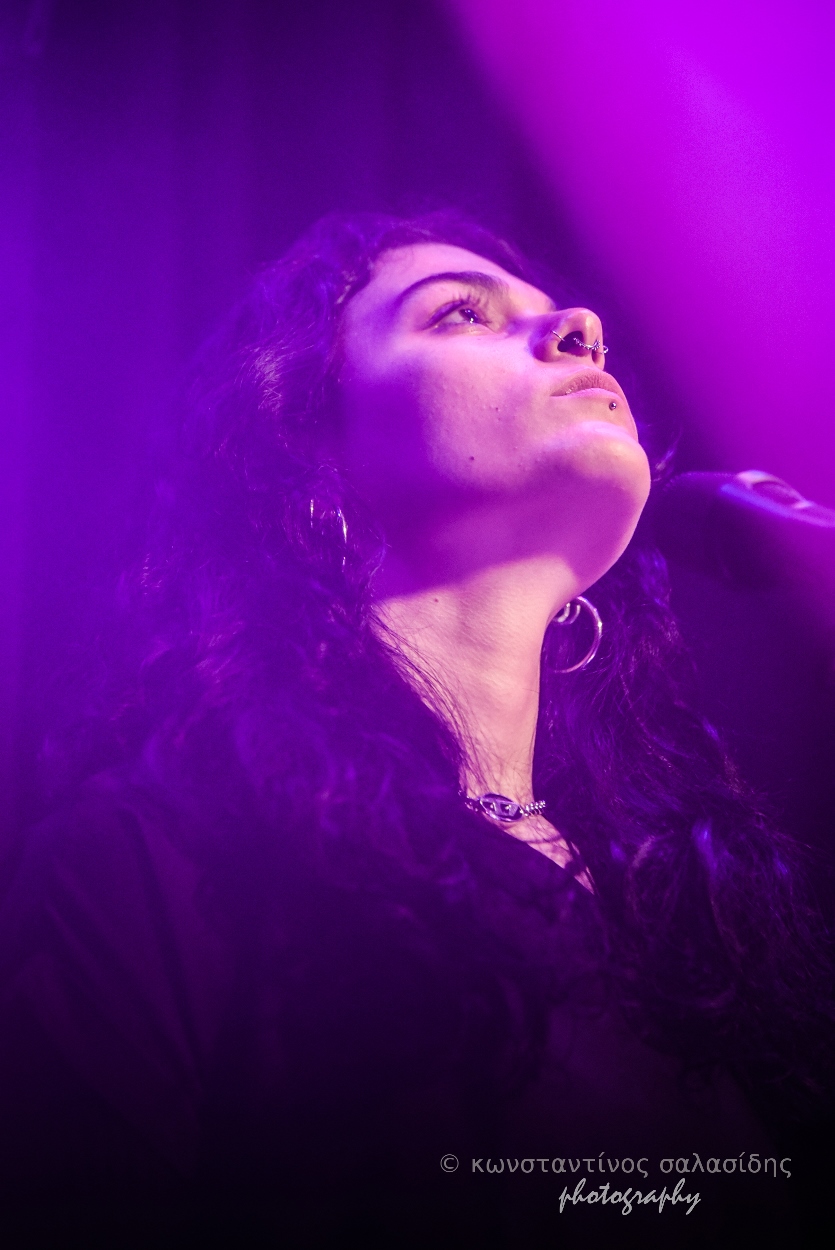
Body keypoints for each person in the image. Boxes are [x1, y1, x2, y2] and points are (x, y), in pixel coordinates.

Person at [0, 211, 831, 1248]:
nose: (580, 326)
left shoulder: (684, 917)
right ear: (308, 444)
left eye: (567, 318)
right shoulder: (164, 861)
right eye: (459, 315)